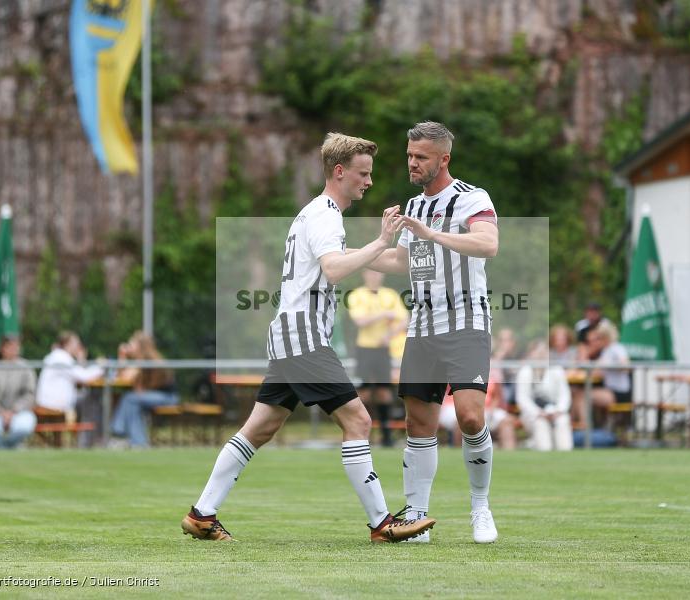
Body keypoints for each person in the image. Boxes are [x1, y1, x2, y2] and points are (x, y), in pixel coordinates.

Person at [182, 133, 434, 544]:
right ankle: (382, 523)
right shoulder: (324, 216)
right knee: (358, 420)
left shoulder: (316, 214)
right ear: (340, 171)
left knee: (260, 427)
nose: (369, 182)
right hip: (303, 336)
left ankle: (202, 514)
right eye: (363, 173)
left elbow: (347, 262)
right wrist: (381, 241)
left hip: (291, 334)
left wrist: (398, 252)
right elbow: (334, 269)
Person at [366, 121, 500, 544]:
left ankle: (480, 508)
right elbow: (402, 262)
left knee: (470, 416)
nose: (412, 162)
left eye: (421, 156)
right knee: (418, 423)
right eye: (409, 155)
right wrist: (350, 253)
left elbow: (488, 244)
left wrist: (432, 234)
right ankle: (417, 517)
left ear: (444, 159)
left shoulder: (471, 197)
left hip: (466, 322)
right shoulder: (413, 205)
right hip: (422, 326)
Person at [348, 269, 408, 447]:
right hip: (364, 349)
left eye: (378, 272)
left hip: (383, 350)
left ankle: (386, 437)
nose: (375, 275)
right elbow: (360, 321)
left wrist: (389, 335)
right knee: (364, 393)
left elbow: (404, 319)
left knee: (384, 393)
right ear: (365, 274)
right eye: (371, 272)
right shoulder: (357, 294)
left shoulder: (390, 295)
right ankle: (361, 434)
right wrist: (384, 314)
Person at [108, 331, 178, 449]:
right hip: (153, 396)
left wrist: (122, 355)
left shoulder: (148, 359)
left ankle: (118, 433)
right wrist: (122, 356)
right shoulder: (140, 360)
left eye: (132, 343)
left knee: (129, 398)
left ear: (140, 346)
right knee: (133, 405)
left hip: (168, 397)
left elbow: (126, 377)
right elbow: (125, 378)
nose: (129, 346)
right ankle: (139, 443)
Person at [0, 335, 38, 449]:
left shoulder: (26, 367)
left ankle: (4, 448)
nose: (13, 349)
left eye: (16, 346)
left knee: (24, 426)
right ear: (2, 348)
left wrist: (14, 410)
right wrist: (0, 411)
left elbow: (30, 394)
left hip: (20, 412)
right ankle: (5, 450)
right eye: (10, 346)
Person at [515, 341, 573, 451]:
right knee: (540, 424)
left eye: (544, 352)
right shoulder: (525, 372)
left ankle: (565, 454)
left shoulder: (557, 370)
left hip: (555, 411)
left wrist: (558, 411)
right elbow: (522, 398)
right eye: (538, 352)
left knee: (563, 421)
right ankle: (544, 453)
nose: (541, 355)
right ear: (531, 354)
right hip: (533, 415)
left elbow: (565, 395)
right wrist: (538, 412)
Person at [572, 321, 631, 427]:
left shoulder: (617, 348)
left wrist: (612, 366)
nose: (596, 341)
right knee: (577, 393)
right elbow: (596, 371)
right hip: (609, 390)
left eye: (598, 338)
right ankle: (576, 426)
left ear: (605, 337)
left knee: (583, 395)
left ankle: (585, 428)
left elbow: (626, 367)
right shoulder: (606, 351)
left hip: (619, 393)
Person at [36, 331, 104, 415]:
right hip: (53, 404)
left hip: (50, 402)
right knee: (91, 398)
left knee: (86, 396)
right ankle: (94, 423)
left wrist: (81, 360)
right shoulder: (62, 358)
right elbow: (84, 377)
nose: (78, 347)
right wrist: (102, 366)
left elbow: (79, 374)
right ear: (67, 344)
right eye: (76, 343)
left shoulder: (58, 356)